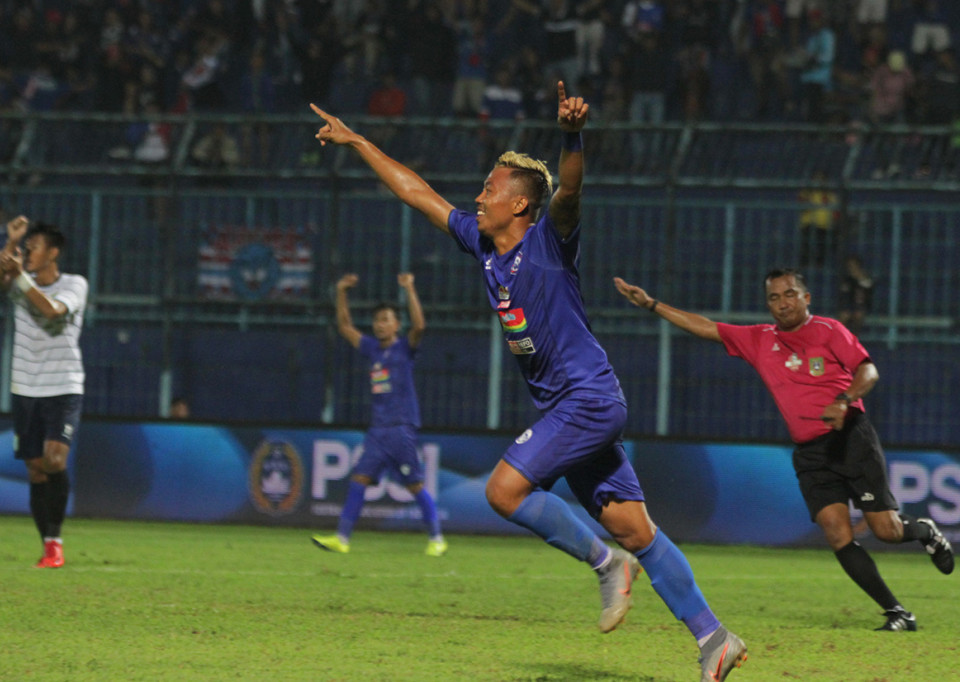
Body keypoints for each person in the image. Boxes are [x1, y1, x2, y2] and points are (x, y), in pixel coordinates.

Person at [310, 83, 747, 682]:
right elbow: (417, 193)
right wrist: (359, 140)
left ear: (519, 204)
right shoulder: (482, 245)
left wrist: (572, 137)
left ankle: (605, 566)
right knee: (634, 527)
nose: (478, 196)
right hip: (574, 409)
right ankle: (714, 637)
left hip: (586, 400)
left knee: (503, 491)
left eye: (489, 189)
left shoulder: (547, 242)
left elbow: (569, 191)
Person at [613, 268, 955, 632]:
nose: (782, 303)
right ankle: (897, 612)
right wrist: (651, 305)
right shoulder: (760, 339)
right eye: (774, 297)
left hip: (850, 439)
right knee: (837, 533)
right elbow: (708, 327)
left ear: (806, 298)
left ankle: (924, 532)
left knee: (885, 530)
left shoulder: (829, 330)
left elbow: (868, 371)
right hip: (809, 452)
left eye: (790, 294)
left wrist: (844, 399)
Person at [311, 272, 448, 558]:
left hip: (401, 428)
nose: (380, 324)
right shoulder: (372, 349)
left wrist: (410, 288)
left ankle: (437, 538)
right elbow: (345, 326)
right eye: (377, 320)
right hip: (378, 431)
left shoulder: (404, 348)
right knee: (359, 479)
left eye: (386, 319)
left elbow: (420, 325)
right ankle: (342, 538)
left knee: (414, 485)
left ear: (397, 325)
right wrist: (341, 291)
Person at [0, 216, 88, 569]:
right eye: (26, 248)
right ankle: (48, 547)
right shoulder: (20, 281)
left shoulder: (75, 284)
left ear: (53, 253)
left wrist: (20, 276)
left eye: (33, 248)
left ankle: (56, 541)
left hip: (63, 385)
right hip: (25, 387)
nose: (28, 253)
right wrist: (9, 243)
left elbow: (51, 310)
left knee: (54, 461)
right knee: (35, 469)